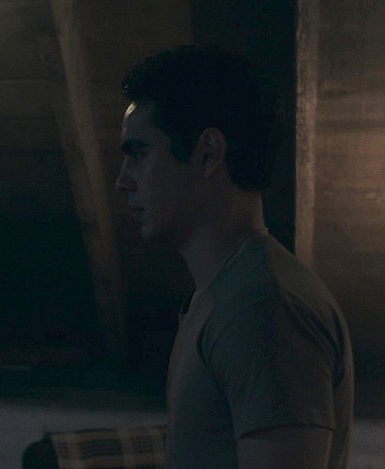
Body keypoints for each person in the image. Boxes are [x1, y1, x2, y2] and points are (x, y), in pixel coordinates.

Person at [115, 45, 353, 468]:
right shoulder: (226, 297)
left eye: (139, 154)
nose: (123, 180)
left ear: (209, 153)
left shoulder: (263, 308)